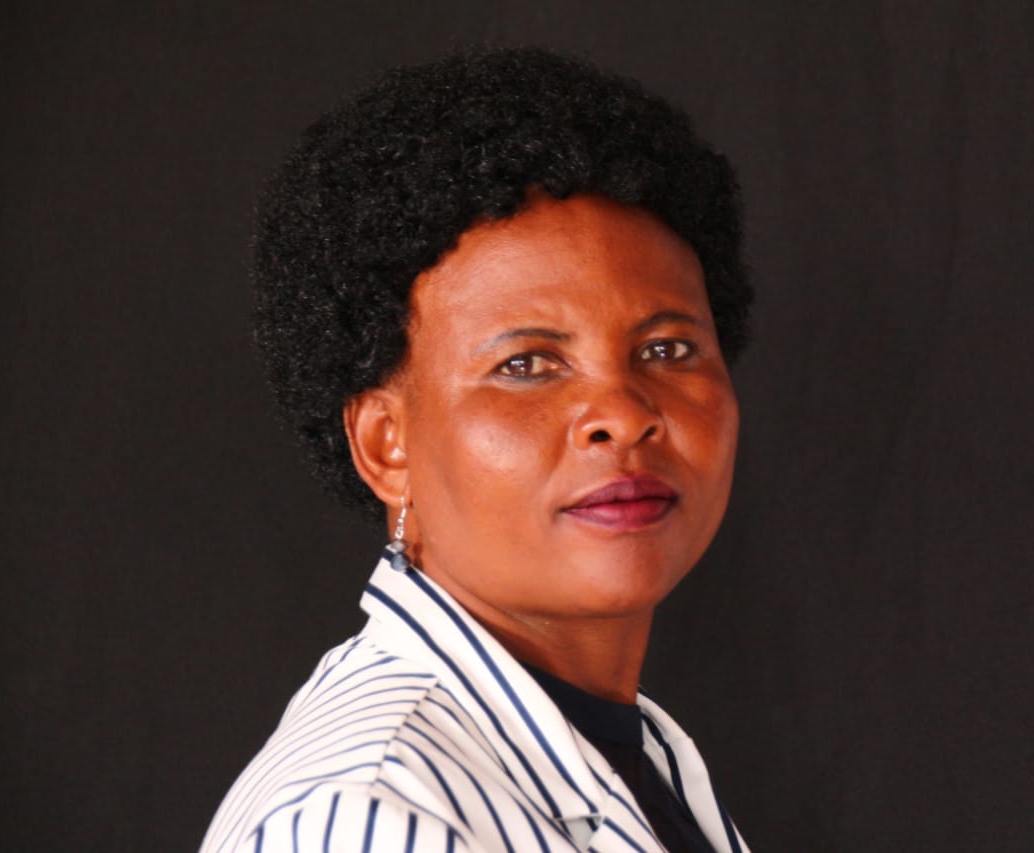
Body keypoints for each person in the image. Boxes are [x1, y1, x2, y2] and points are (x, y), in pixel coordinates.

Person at [201, 46, 752, 853]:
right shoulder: (370, 816)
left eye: (666, 349)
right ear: (386, 445)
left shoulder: (624, 755)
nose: (622, 414)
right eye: (527, 364)